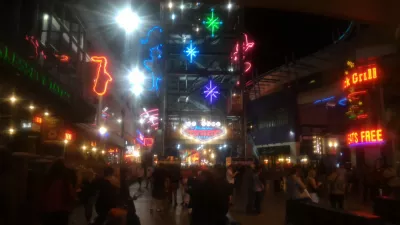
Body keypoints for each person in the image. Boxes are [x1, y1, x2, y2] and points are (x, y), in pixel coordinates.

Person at [41, 159, 75, 225]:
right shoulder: (65, 182)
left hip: (49, 210)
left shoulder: (48, 181)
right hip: (62, 211)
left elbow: (43, 195)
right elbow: (71, 195)